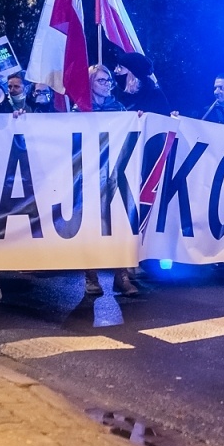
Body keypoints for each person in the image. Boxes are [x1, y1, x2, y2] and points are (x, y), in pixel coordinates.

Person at [83, 64, 139, 298]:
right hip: (87, 175)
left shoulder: (119, 108)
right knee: (90, 225)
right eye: (101, 81)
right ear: (89, 83)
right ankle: (91, 275)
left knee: (118, 222)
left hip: (115, 173)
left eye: (108, 81)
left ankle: (121, 275)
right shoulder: (78, 110)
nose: (107, 85)